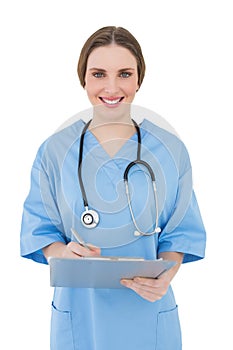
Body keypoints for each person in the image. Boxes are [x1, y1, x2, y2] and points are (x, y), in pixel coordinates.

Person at [20, 26, 206, 350]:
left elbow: (182, 232)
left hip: (148, 314)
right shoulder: (54, 151)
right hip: (80, 315)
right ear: (84, 79)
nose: (111, 86)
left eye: (124, 73)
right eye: (98, 73)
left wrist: (167, 276)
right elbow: (40, 228)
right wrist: (62, 253)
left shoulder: (170, 151)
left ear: (138, 79)